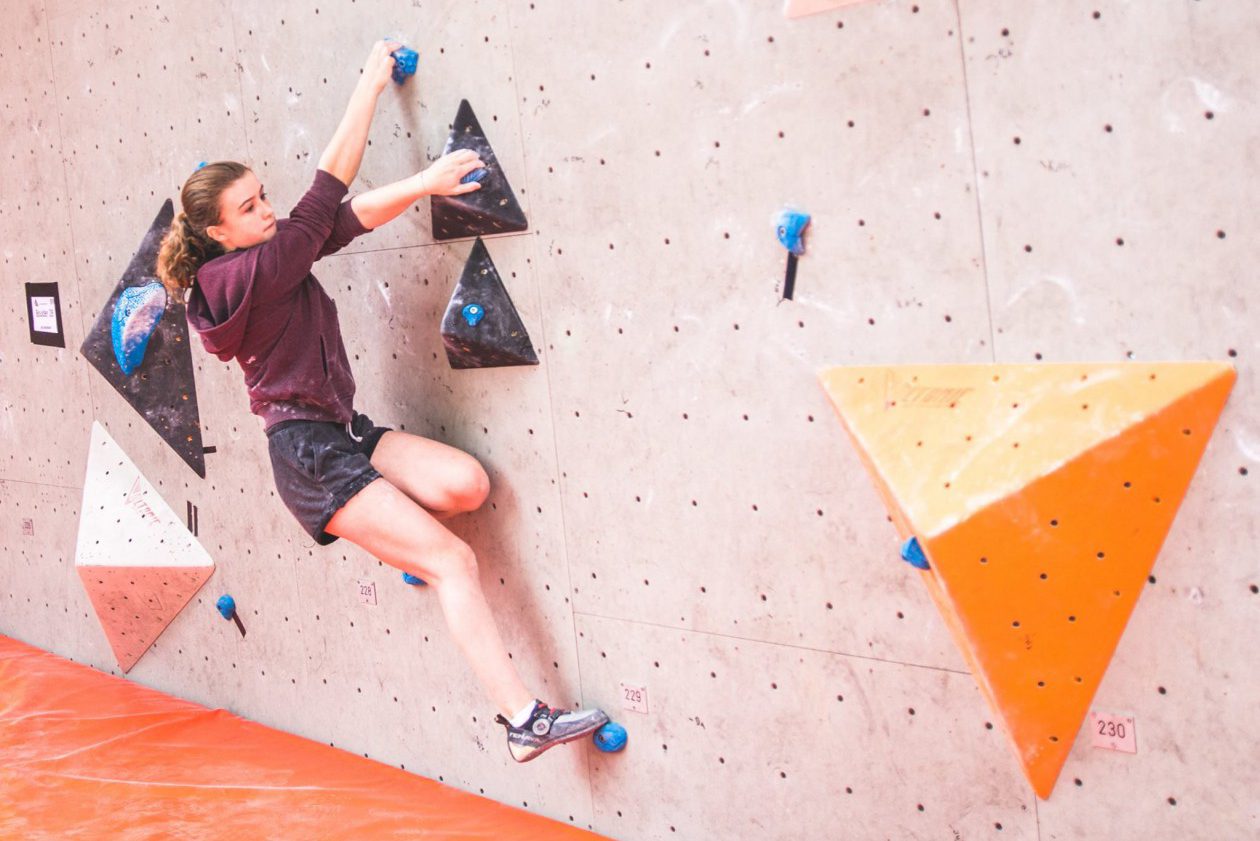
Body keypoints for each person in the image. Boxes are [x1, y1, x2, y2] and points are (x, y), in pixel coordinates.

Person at [155, 40, 607, 762]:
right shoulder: (233, 281)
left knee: (466, 484)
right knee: (455, 562)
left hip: (344, 432)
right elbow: (327, 190)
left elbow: (342, 219)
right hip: (307, 453)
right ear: (217, 233)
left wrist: (425, 182)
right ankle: (522, 721)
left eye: (263, 194)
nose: (267, 209)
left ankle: (403, 537)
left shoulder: (267, 258)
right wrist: (368, 81)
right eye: (250, 206)